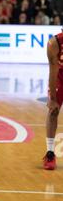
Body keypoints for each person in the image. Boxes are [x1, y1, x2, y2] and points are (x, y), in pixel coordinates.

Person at [43, 31, 63, 170]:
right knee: (53, 111)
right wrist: (52, 99)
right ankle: (50, 152)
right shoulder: (54, 44)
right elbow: (53, 71)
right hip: (60, 77)